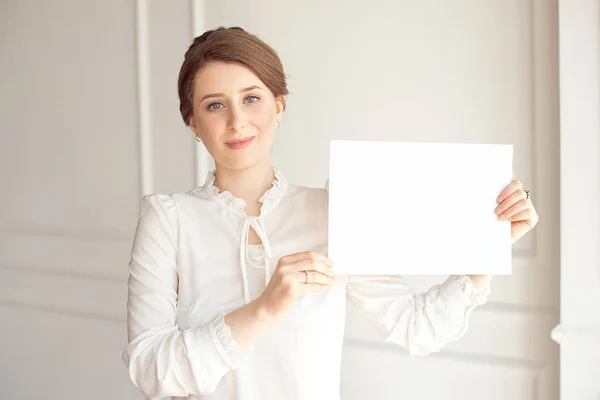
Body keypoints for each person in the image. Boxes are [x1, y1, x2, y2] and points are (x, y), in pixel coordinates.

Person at [121, 26, 539, 400]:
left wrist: (490, 247)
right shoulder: (168, 219)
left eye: (252, 98)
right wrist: (264, 308)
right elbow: (151, 371)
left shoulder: (331, 211)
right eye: (215, 105)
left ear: (278, 106)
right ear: (192, 121)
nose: (237, 121)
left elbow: (417, 328)